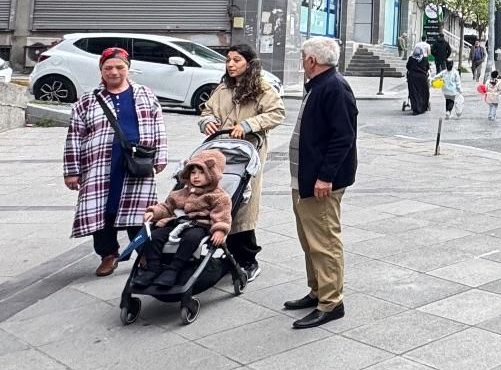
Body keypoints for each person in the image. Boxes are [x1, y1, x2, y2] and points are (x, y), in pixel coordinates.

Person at [64, 48, 166, 276]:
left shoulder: (145, 94)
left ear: (128, 69)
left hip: (136, 162)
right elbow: (74, 136)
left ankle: (143, 254)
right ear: (101, 70)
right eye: (108, 67)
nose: (114, 72)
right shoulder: (88, 101)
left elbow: (159, 126)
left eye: (120, 67)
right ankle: (108, 254)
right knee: (102, 210)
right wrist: (72, 171)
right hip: (99, 165)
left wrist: (160, 157)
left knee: (140, 211)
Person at [286, 36, 358, 329]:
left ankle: (331, 302)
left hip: (320, 182)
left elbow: (343, 137)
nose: (302, 62)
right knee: (310, 240)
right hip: (305, 179)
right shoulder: (319, 85)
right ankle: (317, 291)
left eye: (303, 58)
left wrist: (325, 176)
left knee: (324, 242)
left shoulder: (334, 87)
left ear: (312, 61)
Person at [198, 42, 285, 280]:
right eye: (228, 60)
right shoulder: (222, 89)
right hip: (219, 153)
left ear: (249, 63)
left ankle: (248, 259)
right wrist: (207, 123)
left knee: (243, 204)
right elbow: (206, 112)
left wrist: (248, 125)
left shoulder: (262, 89)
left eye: (236, 60)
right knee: (219, 201)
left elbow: (277, 113)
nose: (230, 64)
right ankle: (226, 255)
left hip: (249, 155)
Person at [142, 150, 234, 240]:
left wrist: (220, 230)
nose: (196, 176)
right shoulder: (181, 193)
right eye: (193, 172)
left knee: (191, 237)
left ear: (212, 174)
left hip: (200, 226)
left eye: (202, 172)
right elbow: (167, 207)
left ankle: (180, 256)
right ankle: (152, 256)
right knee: (154, 236)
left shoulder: (219, 196)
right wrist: (154, 213)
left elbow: (222, 215)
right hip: (178, 222)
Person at [405, 42, 432, 115]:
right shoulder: (424, 59)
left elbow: (407, 67)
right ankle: (423, 107)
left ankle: (416, 109)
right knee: (423, 92)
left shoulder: (411, 59)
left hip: (412, 78)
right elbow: (427, 68)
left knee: (414, 93)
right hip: (422, 78)